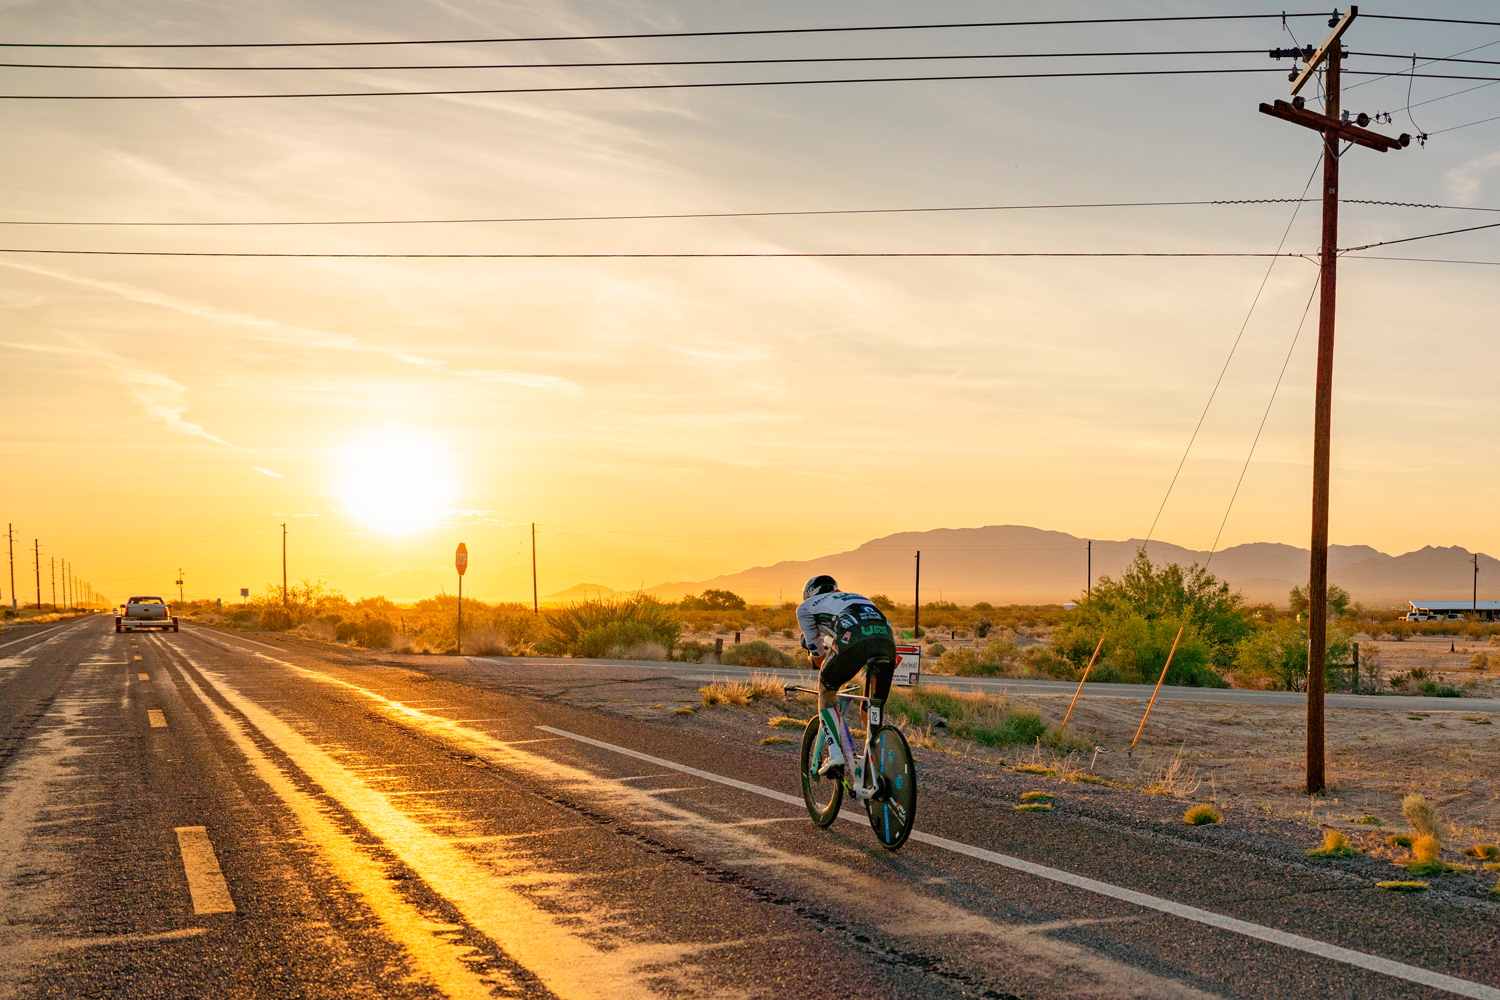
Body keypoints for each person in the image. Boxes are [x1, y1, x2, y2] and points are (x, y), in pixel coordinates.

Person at [796, 575, 896, 777]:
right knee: (871, 705)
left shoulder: (805, 608)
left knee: (826, 690)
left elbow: (819, 658)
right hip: (886, 640)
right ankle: (876, 766)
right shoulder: (857, 596)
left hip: (854, 638)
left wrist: (814, 654)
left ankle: (835, 756)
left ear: (809, 595)